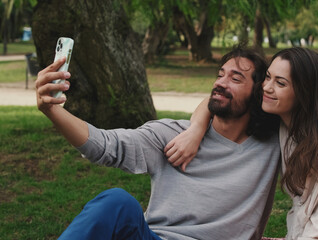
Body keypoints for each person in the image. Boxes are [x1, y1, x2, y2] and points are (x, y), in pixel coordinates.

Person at [35, 45, 281, 240]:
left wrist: (198, 125)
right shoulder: (172, 135)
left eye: (235, 79)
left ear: (259, 93)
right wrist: (52, 111)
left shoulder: (273, 145)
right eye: (219, 75)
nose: (220, 83)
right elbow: (107, 146)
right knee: (116, 202)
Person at [167, 47, 318, 240]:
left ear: (303, 92)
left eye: (280, 83)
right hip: (317, 229)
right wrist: (195, 131)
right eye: (268, 77)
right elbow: (213, 99)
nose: (267, 87)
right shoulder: (279, 116)